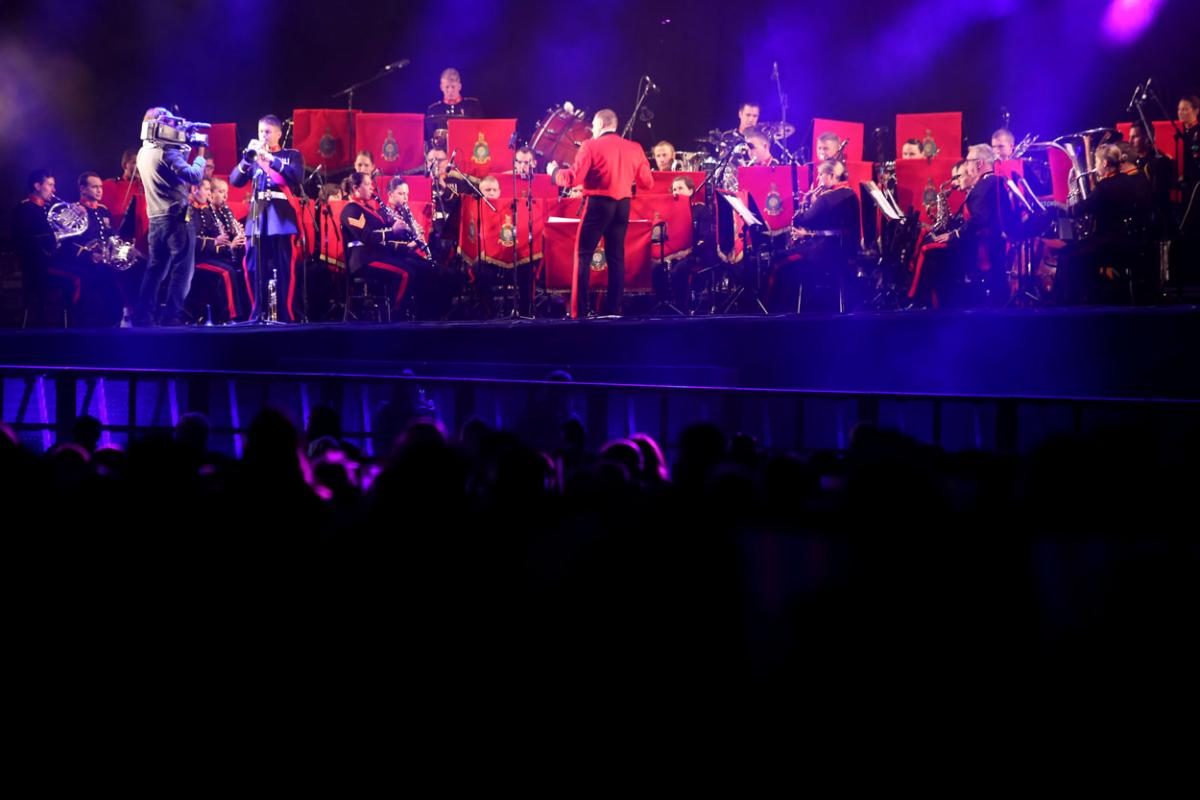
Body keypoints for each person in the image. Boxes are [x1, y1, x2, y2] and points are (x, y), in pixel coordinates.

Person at [552, 108, 654, 318]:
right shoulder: (634, 147)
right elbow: (647, 183)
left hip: (598, 203)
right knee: (616, 257)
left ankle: (579, 312)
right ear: (615, 125)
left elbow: (573, 178)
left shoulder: (591, 145)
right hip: (623, 206)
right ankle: (613, 309)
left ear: (598, 126)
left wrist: (553, 172)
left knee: (583, 255)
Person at [134, 106, 206, 326]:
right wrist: (201, 151)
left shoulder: (144, 151)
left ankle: (143, 316)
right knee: (182, 270)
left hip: (155, 218)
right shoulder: (167, 152)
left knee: (155, 269)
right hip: (176, 218)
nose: (173, 127)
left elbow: (171, 167)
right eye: (169, 123)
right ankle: (171, 316)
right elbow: (194, 176)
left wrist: (183, 144)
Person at [230, 113, 304, 322]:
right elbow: (235, 180)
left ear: (279, 134)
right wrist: (247, 159)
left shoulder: (291, 154)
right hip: (257, 215)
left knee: (285, 267)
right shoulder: (254, 156)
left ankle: (285, 314)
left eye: (268, 132)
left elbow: (298, 177)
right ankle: (256, 313)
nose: (264, 136)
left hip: (281, 216)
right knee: (252, 266)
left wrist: (273, 161)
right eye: (261, 131)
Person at [425, 67, 483, 144]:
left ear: (459, 86)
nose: (450, 91)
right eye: (447, 87)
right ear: (441, 87)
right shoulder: (434, 110)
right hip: (441, 151)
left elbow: (480, 131)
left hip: (468, 146)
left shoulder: (472, 106)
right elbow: (430, 139)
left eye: (453, 87)